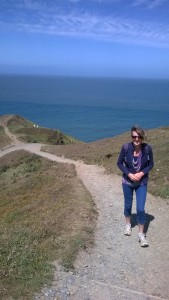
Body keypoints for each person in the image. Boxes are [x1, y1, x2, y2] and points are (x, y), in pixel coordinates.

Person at [117, 125, 154, 247]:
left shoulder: (147, 148)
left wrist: (142, 173)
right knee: (128, 204)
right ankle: (128, 225)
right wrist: (129, 174)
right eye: (134, 136)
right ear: (131, 137)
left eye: (139, 136)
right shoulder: (126, 147)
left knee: (140, 209)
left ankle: (141, 234)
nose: (136, 139)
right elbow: (119, 163)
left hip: (142, 182)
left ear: (142, 137)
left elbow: (151, 164)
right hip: (127, 181)